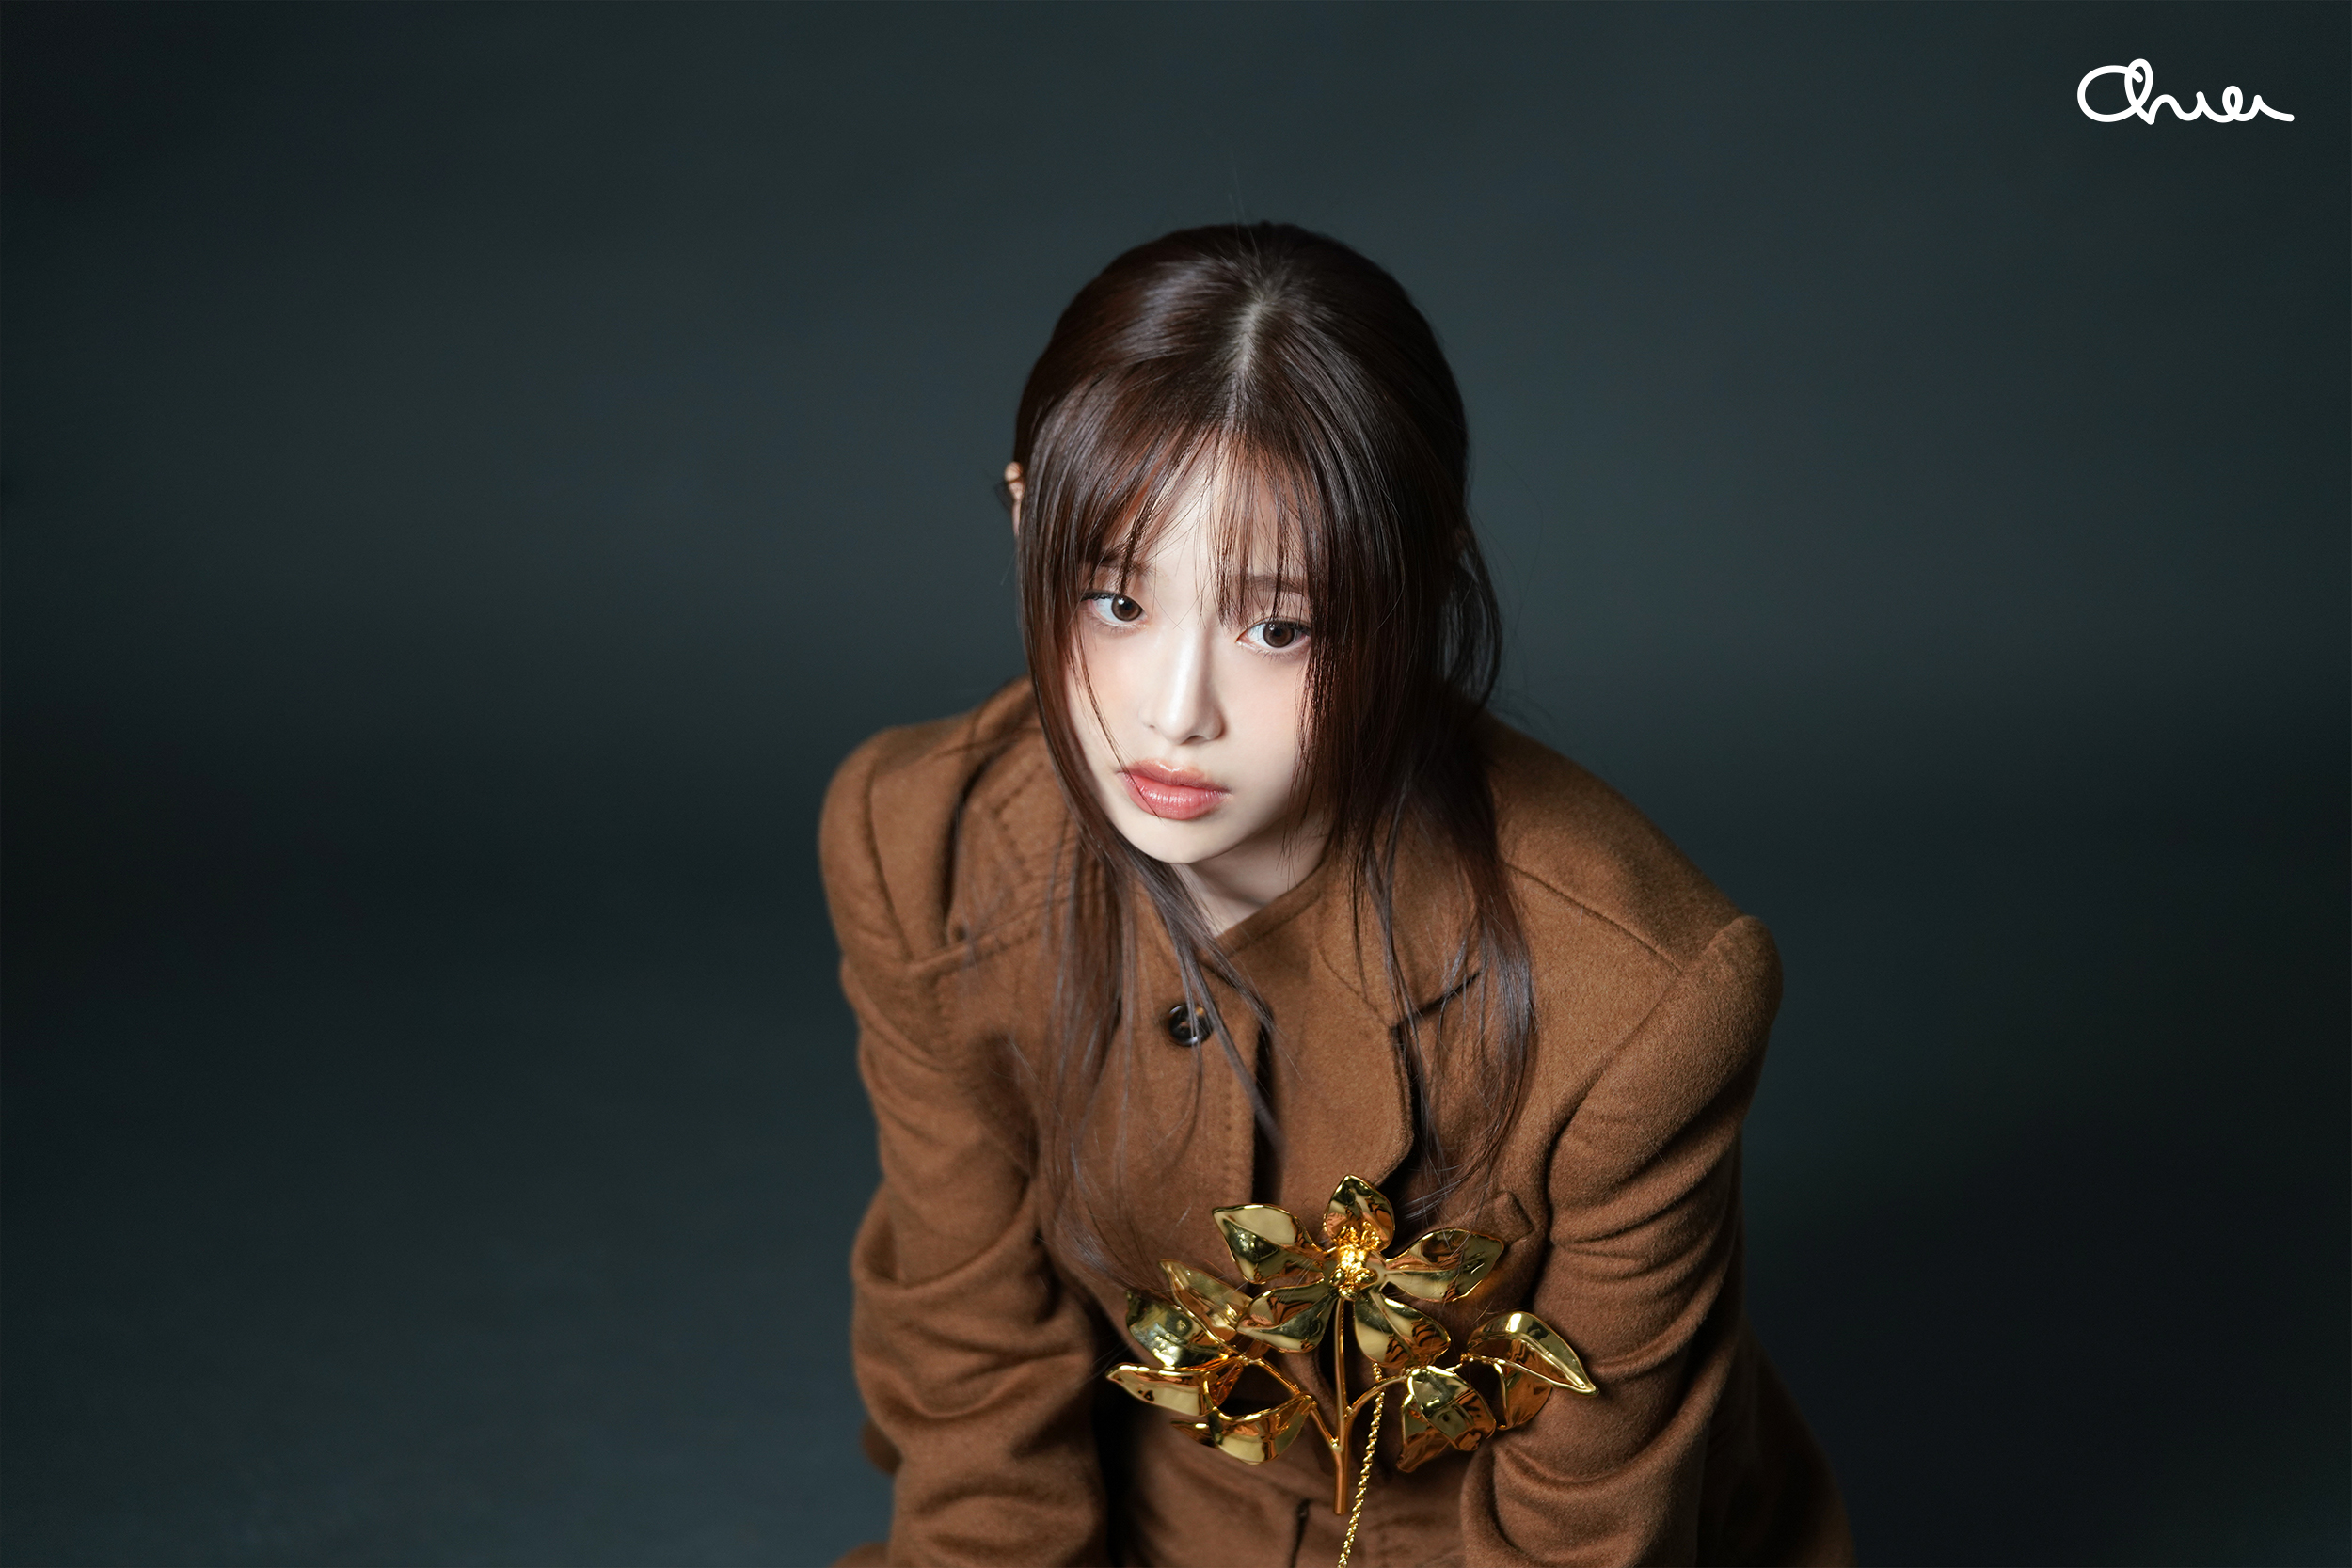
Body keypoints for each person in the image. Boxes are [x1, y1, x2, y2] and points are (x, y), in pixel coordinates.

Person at [821, 223, 1852, 1567]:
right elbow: (975, 1381)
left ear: (1410, 593)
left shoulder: (1643, 1000)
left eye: (1279, 626)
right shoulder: (925, 845)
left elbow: (1587, 1523)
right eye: (1117, 601)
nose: (1175, 713)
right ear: (1029, 523)